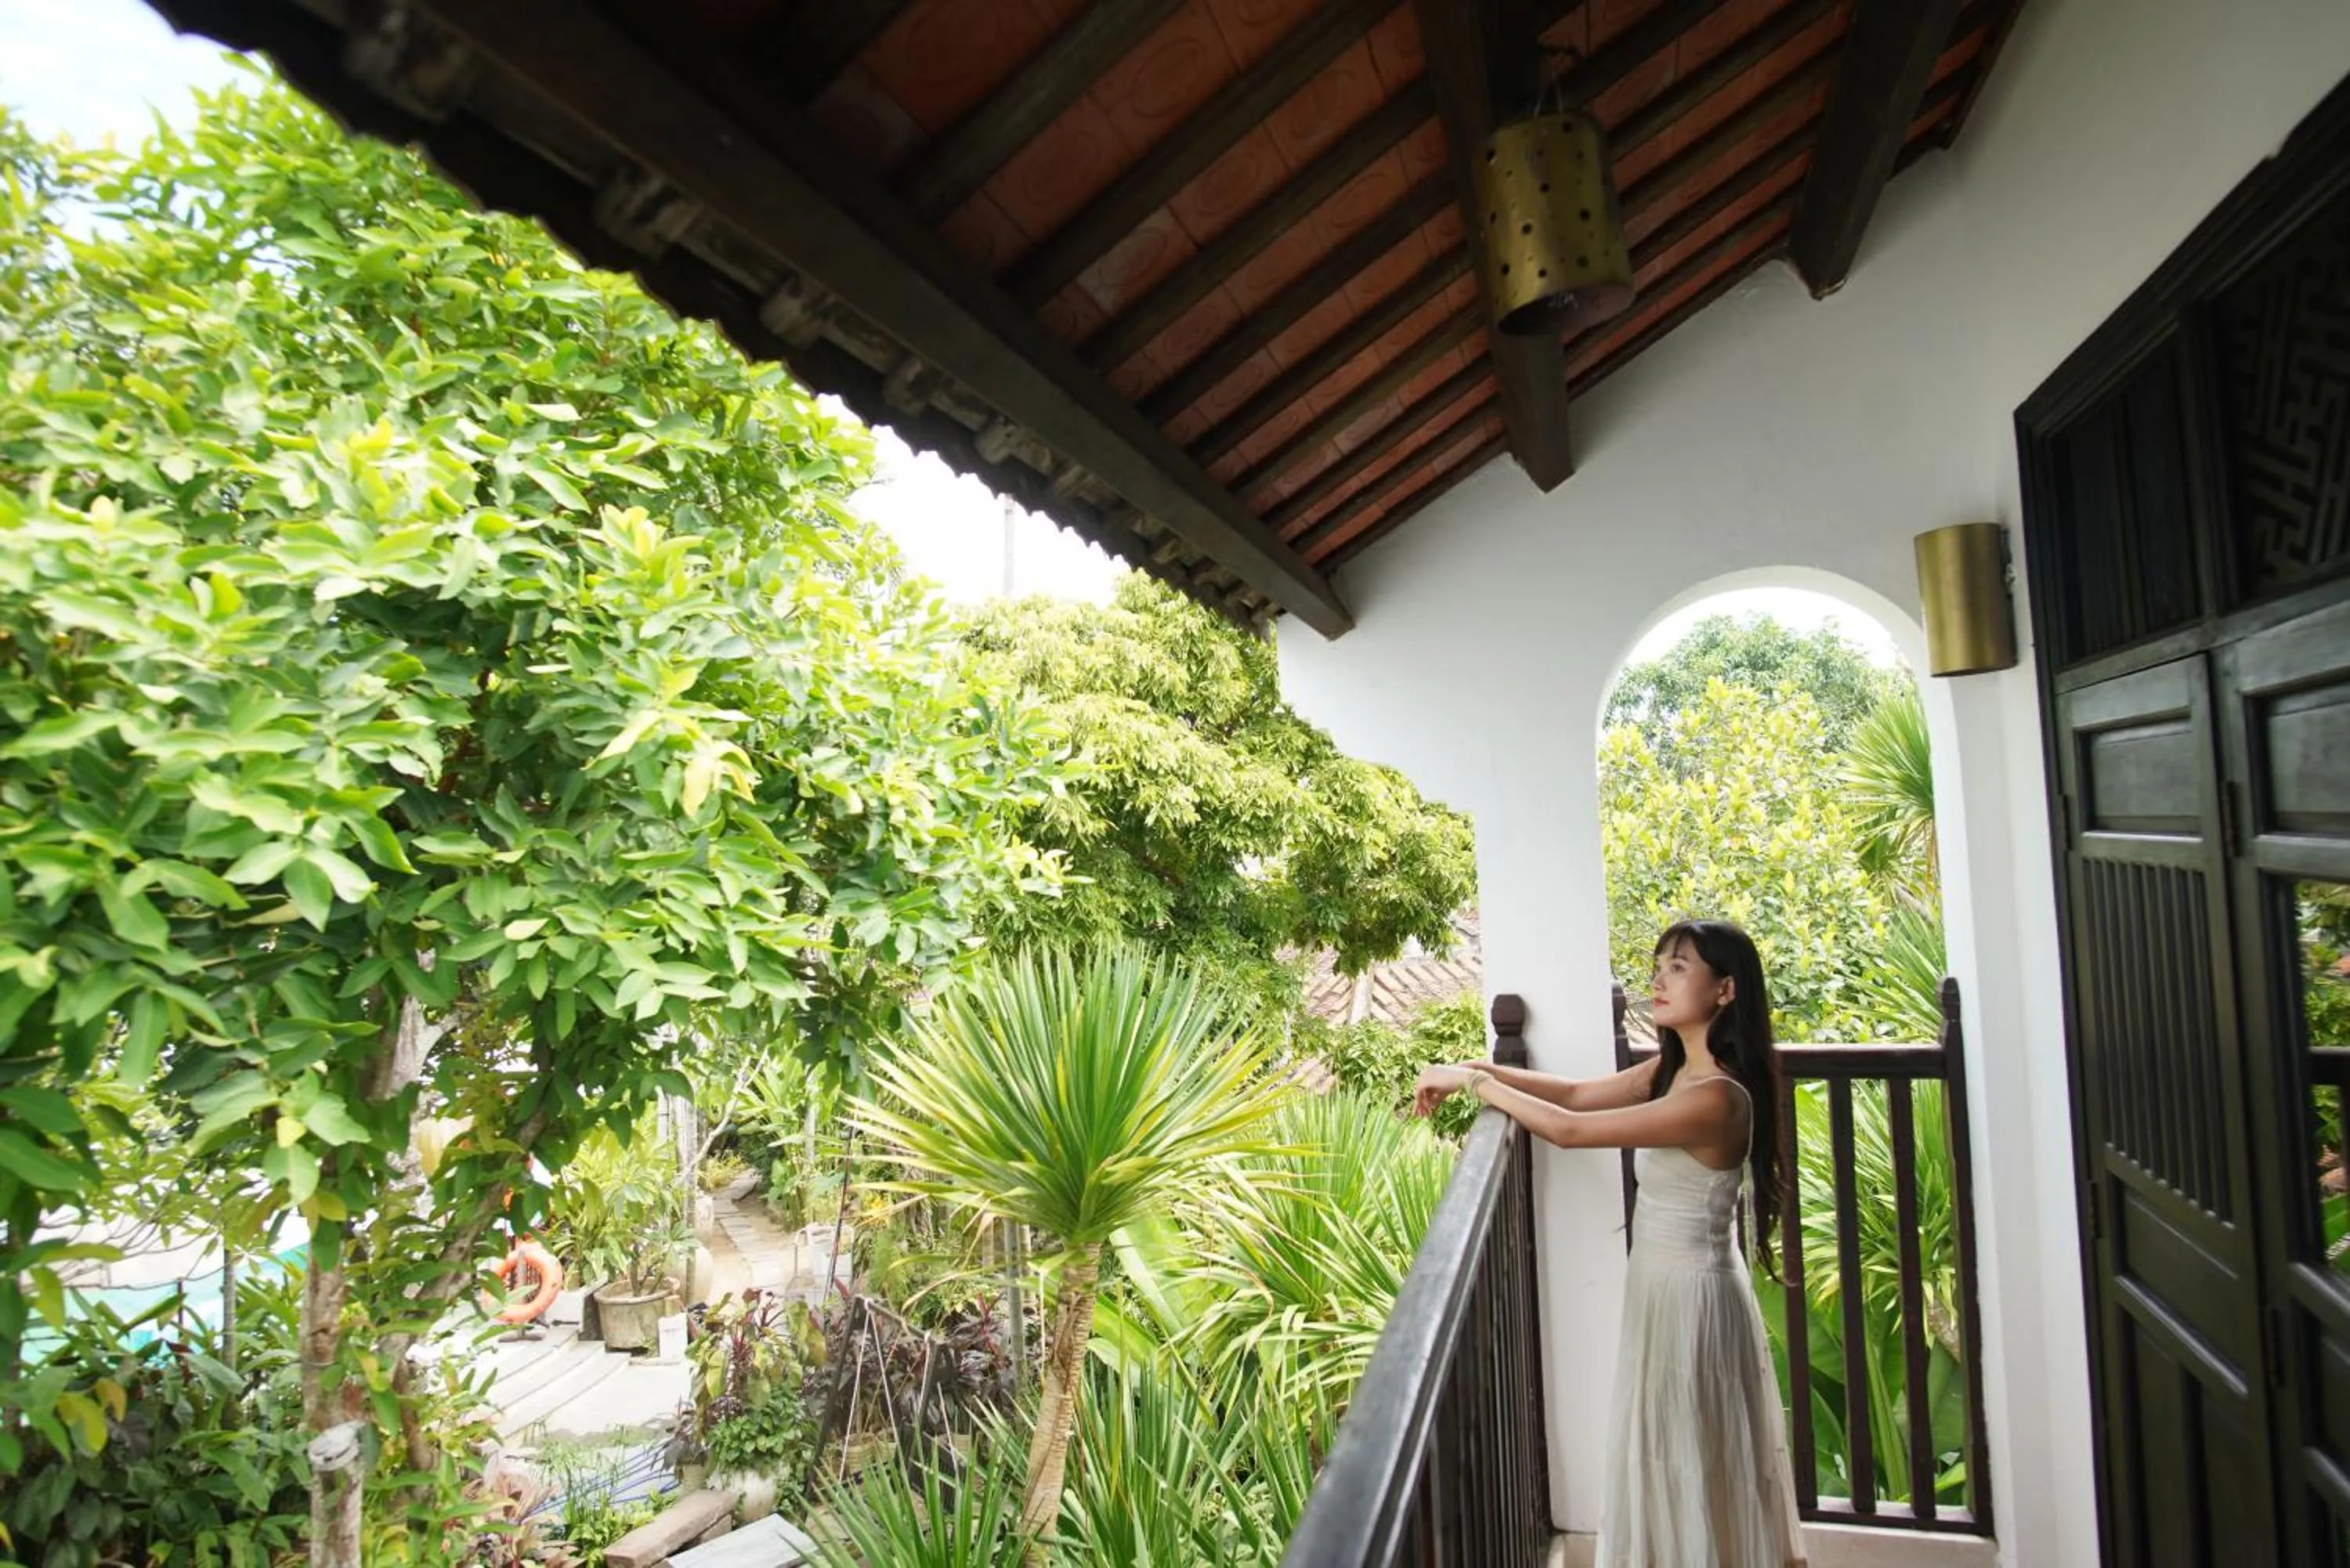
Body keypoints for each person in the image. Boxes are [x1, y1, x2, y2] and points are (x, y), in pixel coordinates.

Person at [1412, 918, 1807, 1568]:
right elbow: (1572, 1094)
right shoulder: (1674, 1073)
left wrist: (1478, 1087)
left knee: (1690, 1453)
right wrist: (1473, 1068)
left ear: (1726, 990)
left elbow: (1568, 1129)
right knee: (1669, 1449)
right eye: (1658, 965)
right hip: (1662, 1289)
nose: (1658, 979)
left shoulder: (1718, 1100)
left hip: (1694, 1299)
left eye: (1679, 968)